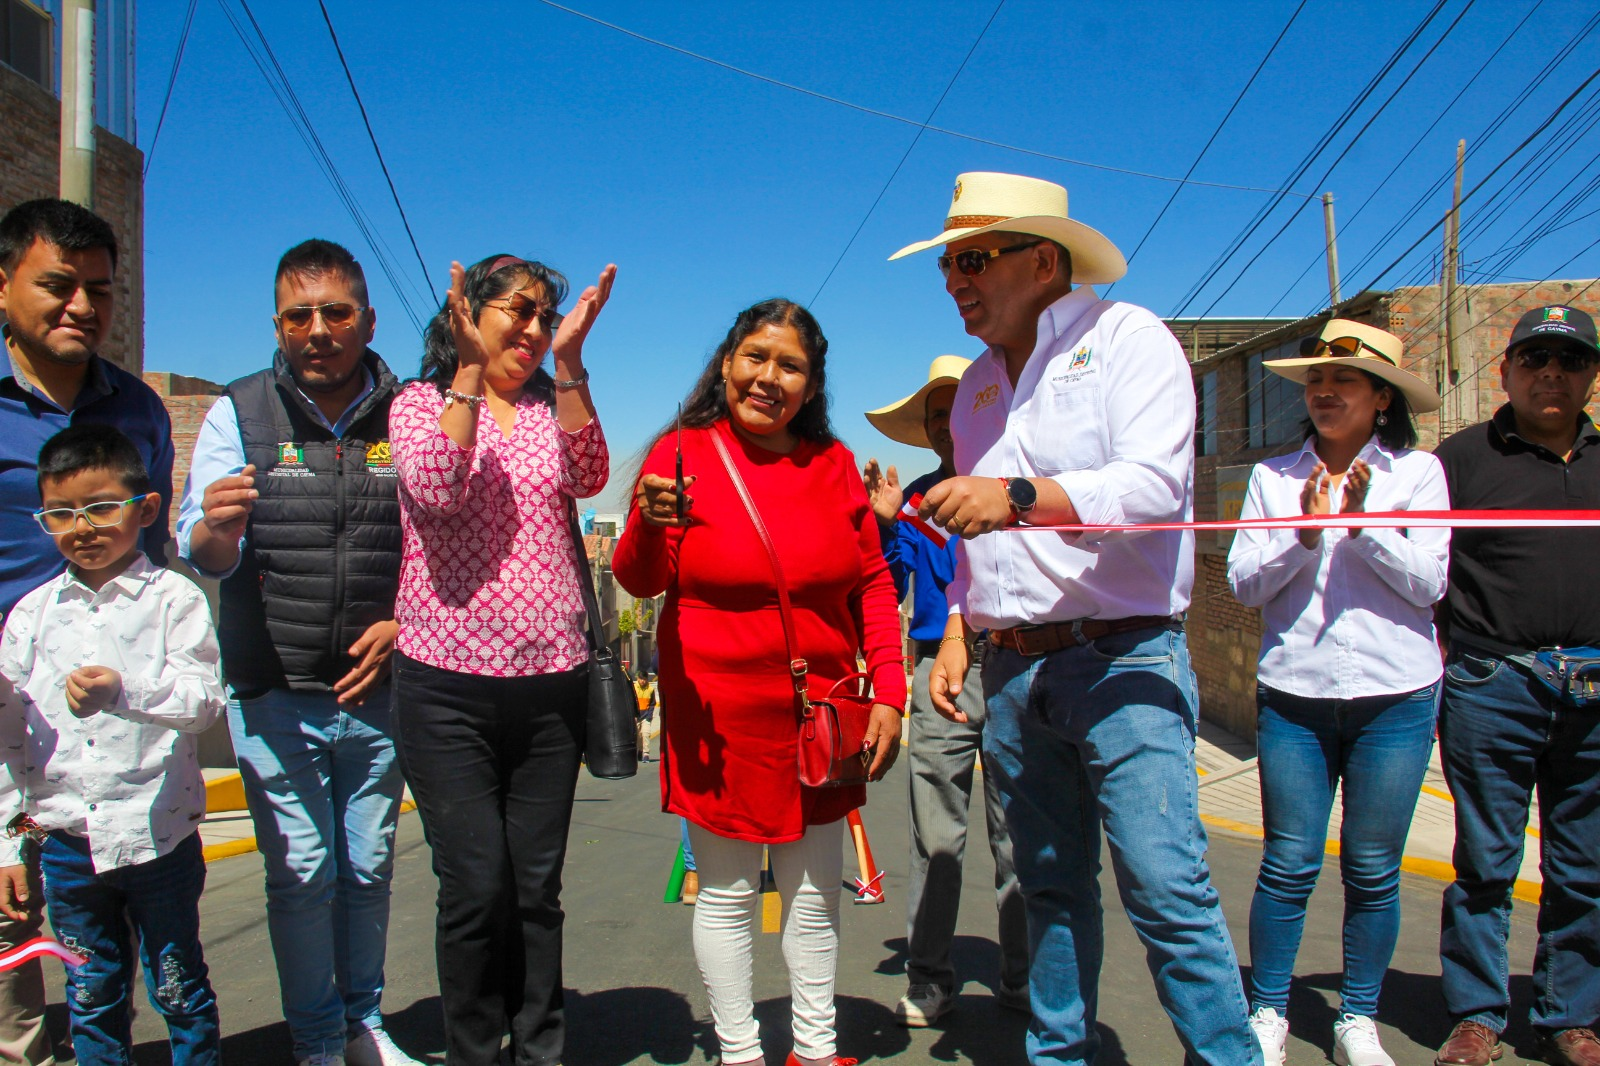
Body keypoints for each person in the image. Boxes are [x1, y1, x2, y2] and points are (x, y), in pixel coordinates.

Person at [896, 171, 1260, 1065]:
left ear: (1045, 260)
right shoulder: (977, 388)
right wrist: (956, 633)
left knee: (1166, 888)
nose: (956, 282)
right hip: (1012, 672)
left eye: (973, 260)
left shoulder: (1129, 339)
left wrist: (1019, 495)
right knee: (1050, 888)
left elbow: (1152, 487)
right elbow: (981, 541)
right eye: (948, 266)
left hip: (1124, 658)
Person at [612, 298, 905, 1066]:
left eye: (790, 365)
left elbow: (873, 582)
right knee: (731, 895)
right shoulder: (679, 454)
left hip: (824, 718)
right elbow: (639, 579)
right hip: (719, 720)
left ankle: (815, 1049)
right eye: (754, 357)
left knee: (815, 894)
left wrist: (891, 696)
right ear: (726, 363)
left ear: (812, 385)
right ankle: (739, 1053)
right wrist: (648, 520)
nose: (768, 378)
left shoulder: (834, 464)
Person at [176, 239, 415, 1066]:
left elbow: (439, 549)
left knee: (370, 867)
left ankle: (363, 1024)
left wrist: (405, 625)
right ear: (277, 325)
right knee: (304, 873)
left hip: (379, 696)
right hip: (273, 691)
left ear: (367, 319)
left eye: (335, 312)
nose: (317, 330)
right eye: (297, 315)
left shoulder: (411, 413)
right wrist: (214, 525)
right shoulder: (235, 413)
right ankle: (317, 1040)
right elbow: (201, 553)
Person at [389, 252, 615, 1066]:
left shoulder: (550, 406)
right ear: (468, 315)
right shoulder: (419, 404)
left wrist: (572, 366)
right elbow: (438, 488)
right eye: (515, 311)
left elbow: (592, 474)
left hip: (550, 689)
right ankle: (476, 1051)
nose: (531, 328)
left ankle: (542, 1049)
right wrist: (466, 375)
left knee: (533, 891)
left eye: (543, 317)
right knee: (476, 888)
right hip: (445, 689)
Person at [1227, 320, 1449, 1066]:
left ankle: (1358, 1016)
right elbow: (1244, 584)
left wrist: (1362, 527)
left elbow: (1430, 584)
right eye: (1316, 382)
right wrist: (1308, 533)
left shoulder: (1419, 477)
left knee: (1374, 867)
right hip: (1295, 696)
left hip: (1397, 697)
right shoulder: (1274, 479)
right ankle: (1268, 1010)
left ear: (1381, 398)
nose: (1323, 392)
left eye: (1343, 382)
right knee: (1289, 861)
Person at [0, 198, 175, 1066]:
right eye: (58, 286)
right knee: (7, 941)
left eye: (99, 291)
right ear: (4, 285)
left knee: (95, 940)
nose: (82, 307)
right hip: (7, 701)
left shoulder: (140, 409)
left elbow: (161, 551)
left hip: (110, 712)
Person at [0, 424, 224, 1065]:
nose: (82, 527)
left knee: (179, 987)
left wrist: (125, 691)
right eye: (61, 514)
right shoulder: (32, 616)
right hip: (68, 848)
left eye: (100, 507)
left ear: (145, 509)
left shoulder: (172, 600)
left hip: (160, 837)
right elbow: (10, 744)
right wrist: (9, 843)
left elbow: (204, 700)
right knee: (90, 992)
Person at [1432, 305, 1600, 1066]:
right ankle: (1477, 1017)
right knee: (1485, 863)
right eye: (1535, 359)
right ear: (1505, 373)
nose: (1551, 374)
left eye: (1569, 360)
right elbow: (1425, 570)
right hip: (1491, 683)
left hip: (1595, 686)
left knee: (1585, 865)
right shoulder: (1460, 461)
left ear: (1592, 375)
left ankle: (1572, 1016)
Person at [862, 354, 1028, 1027]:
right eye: (933, 415)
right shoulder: (912, 505)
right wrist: (881, 524)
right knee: (937, 838)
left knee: (1018, 837)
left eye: (950, 409)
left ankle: (1023, 983)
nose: (940, 424)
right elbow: (887, 585)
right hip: (938, 672)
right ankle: (929, 978)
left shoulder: (1021, 490)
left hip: (1016, 661)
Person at [634, 668, 658, 762]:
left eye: (644, 679)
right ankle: (639, 750)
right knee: (638, 735)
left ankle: (646, 754)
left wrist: (649, 716)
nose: (642, 681)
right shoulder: (634, 688)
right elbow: (631, 702)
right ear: (638, 679)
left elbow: (652, 703)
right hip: (636, 716)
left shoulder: (650, 689)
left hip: (645, 716)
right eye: (641, 679)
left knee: (646, 733)